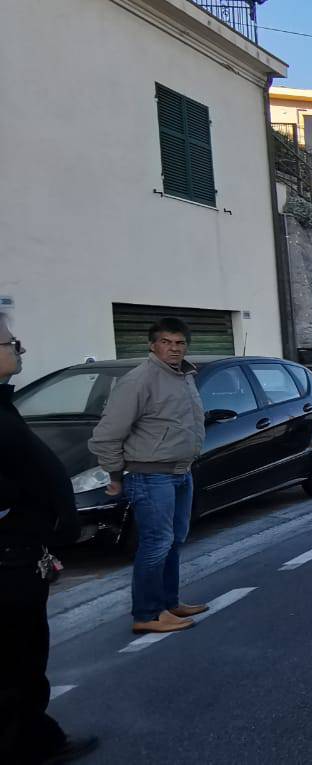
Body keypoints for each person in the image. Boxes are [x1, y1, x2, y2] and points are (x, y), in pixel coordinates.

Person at [0, 313, 99, 764]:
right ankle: (28, 743)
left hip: (19, 555)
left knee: (21, 660)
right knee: (17, 661)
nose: (19, 348)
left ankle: (35, 736)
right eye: (10, 342)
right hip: (8, 561)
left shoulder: (5, 407)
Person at [88, 318, 208, 635]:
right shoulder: (139, 380)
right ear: (152, 344)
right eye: (166, 342)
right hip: (151, 475)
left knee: (172, 541)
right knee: (156, 544)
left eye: (180, 342)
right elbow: (107, 435)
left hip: (181, 472)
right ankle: (147, 614)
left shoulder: (184, 376)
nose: (174, 348)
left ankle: (168, 604)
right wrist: (114, 474)